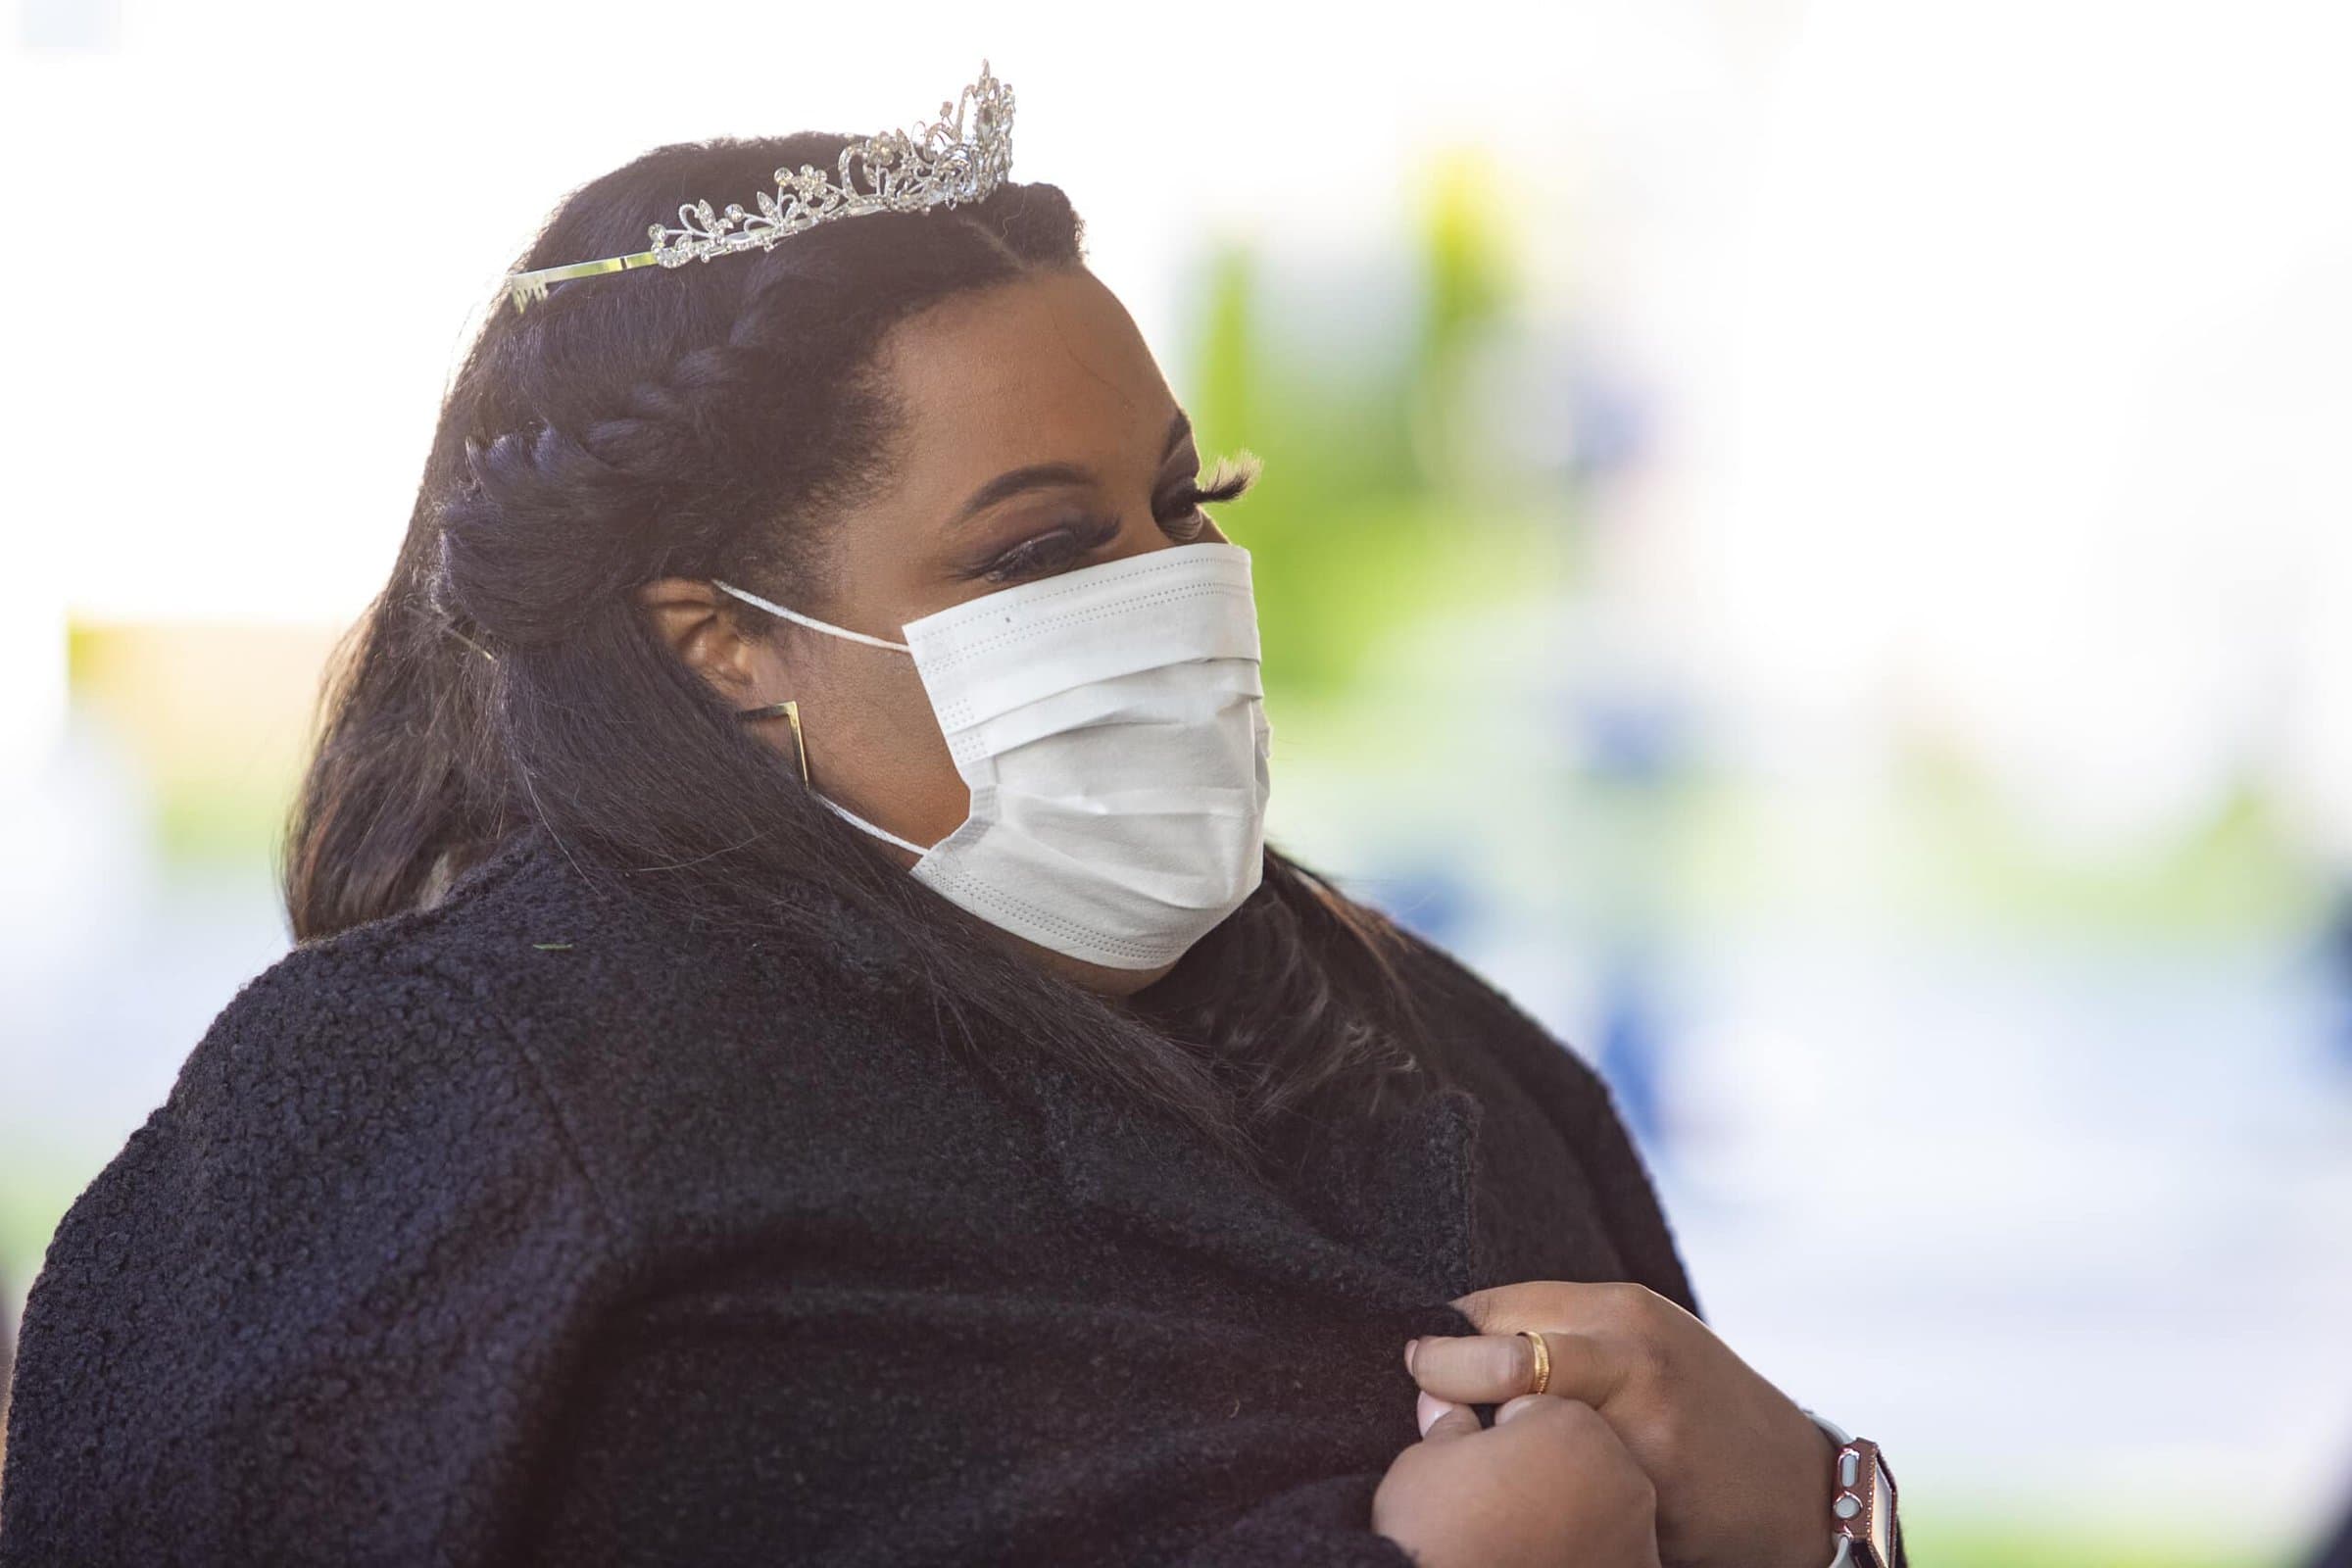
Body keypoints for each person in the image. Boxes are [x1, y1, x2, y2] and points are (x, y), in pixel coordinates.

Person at [0, 64, 1901, 1568]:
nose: (1176, 589)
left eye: (1187, 501)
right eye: (1045, 550)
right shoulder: (433, 1098)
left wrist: (1824, 1513)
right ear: (724, 642)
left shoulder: (1420, 1041)